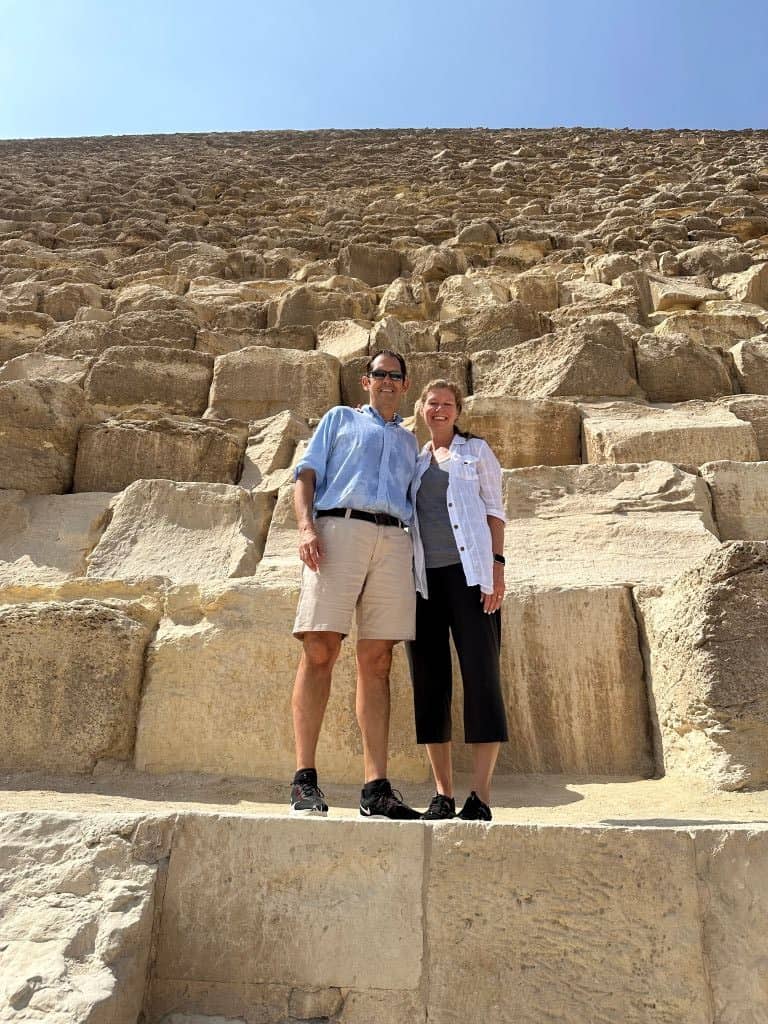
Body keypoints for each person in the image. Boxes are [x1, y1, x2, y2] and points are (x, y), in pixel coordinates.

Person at [289, 350, 421, 820]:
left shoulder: (410, 442)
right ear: (365, 381)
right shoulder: (339, 419)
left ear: (405, 385)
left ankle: (375, 788)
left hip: (394, 540)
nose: (387, 381)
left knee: (379, 660)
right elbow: (305, 476)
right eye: (379, 374)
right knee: (320, 647)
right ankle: (304, 780)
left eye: (395, 376)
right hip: (338, 529)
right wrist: (306, 528)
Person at [407, 379, 508, 821]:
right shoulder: (414, 461)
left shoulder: (476, 451)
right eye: (433, 403)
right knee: (429, 683)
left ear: (458, 410)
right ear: (421, 409)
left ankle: (480, 797)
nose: (440, 410)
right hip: (422, 584)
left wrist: (497, 569)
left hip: (471, 579)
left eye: (447, 404)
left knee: (482, 678)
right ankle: (442, 794)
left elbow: (495, 511)